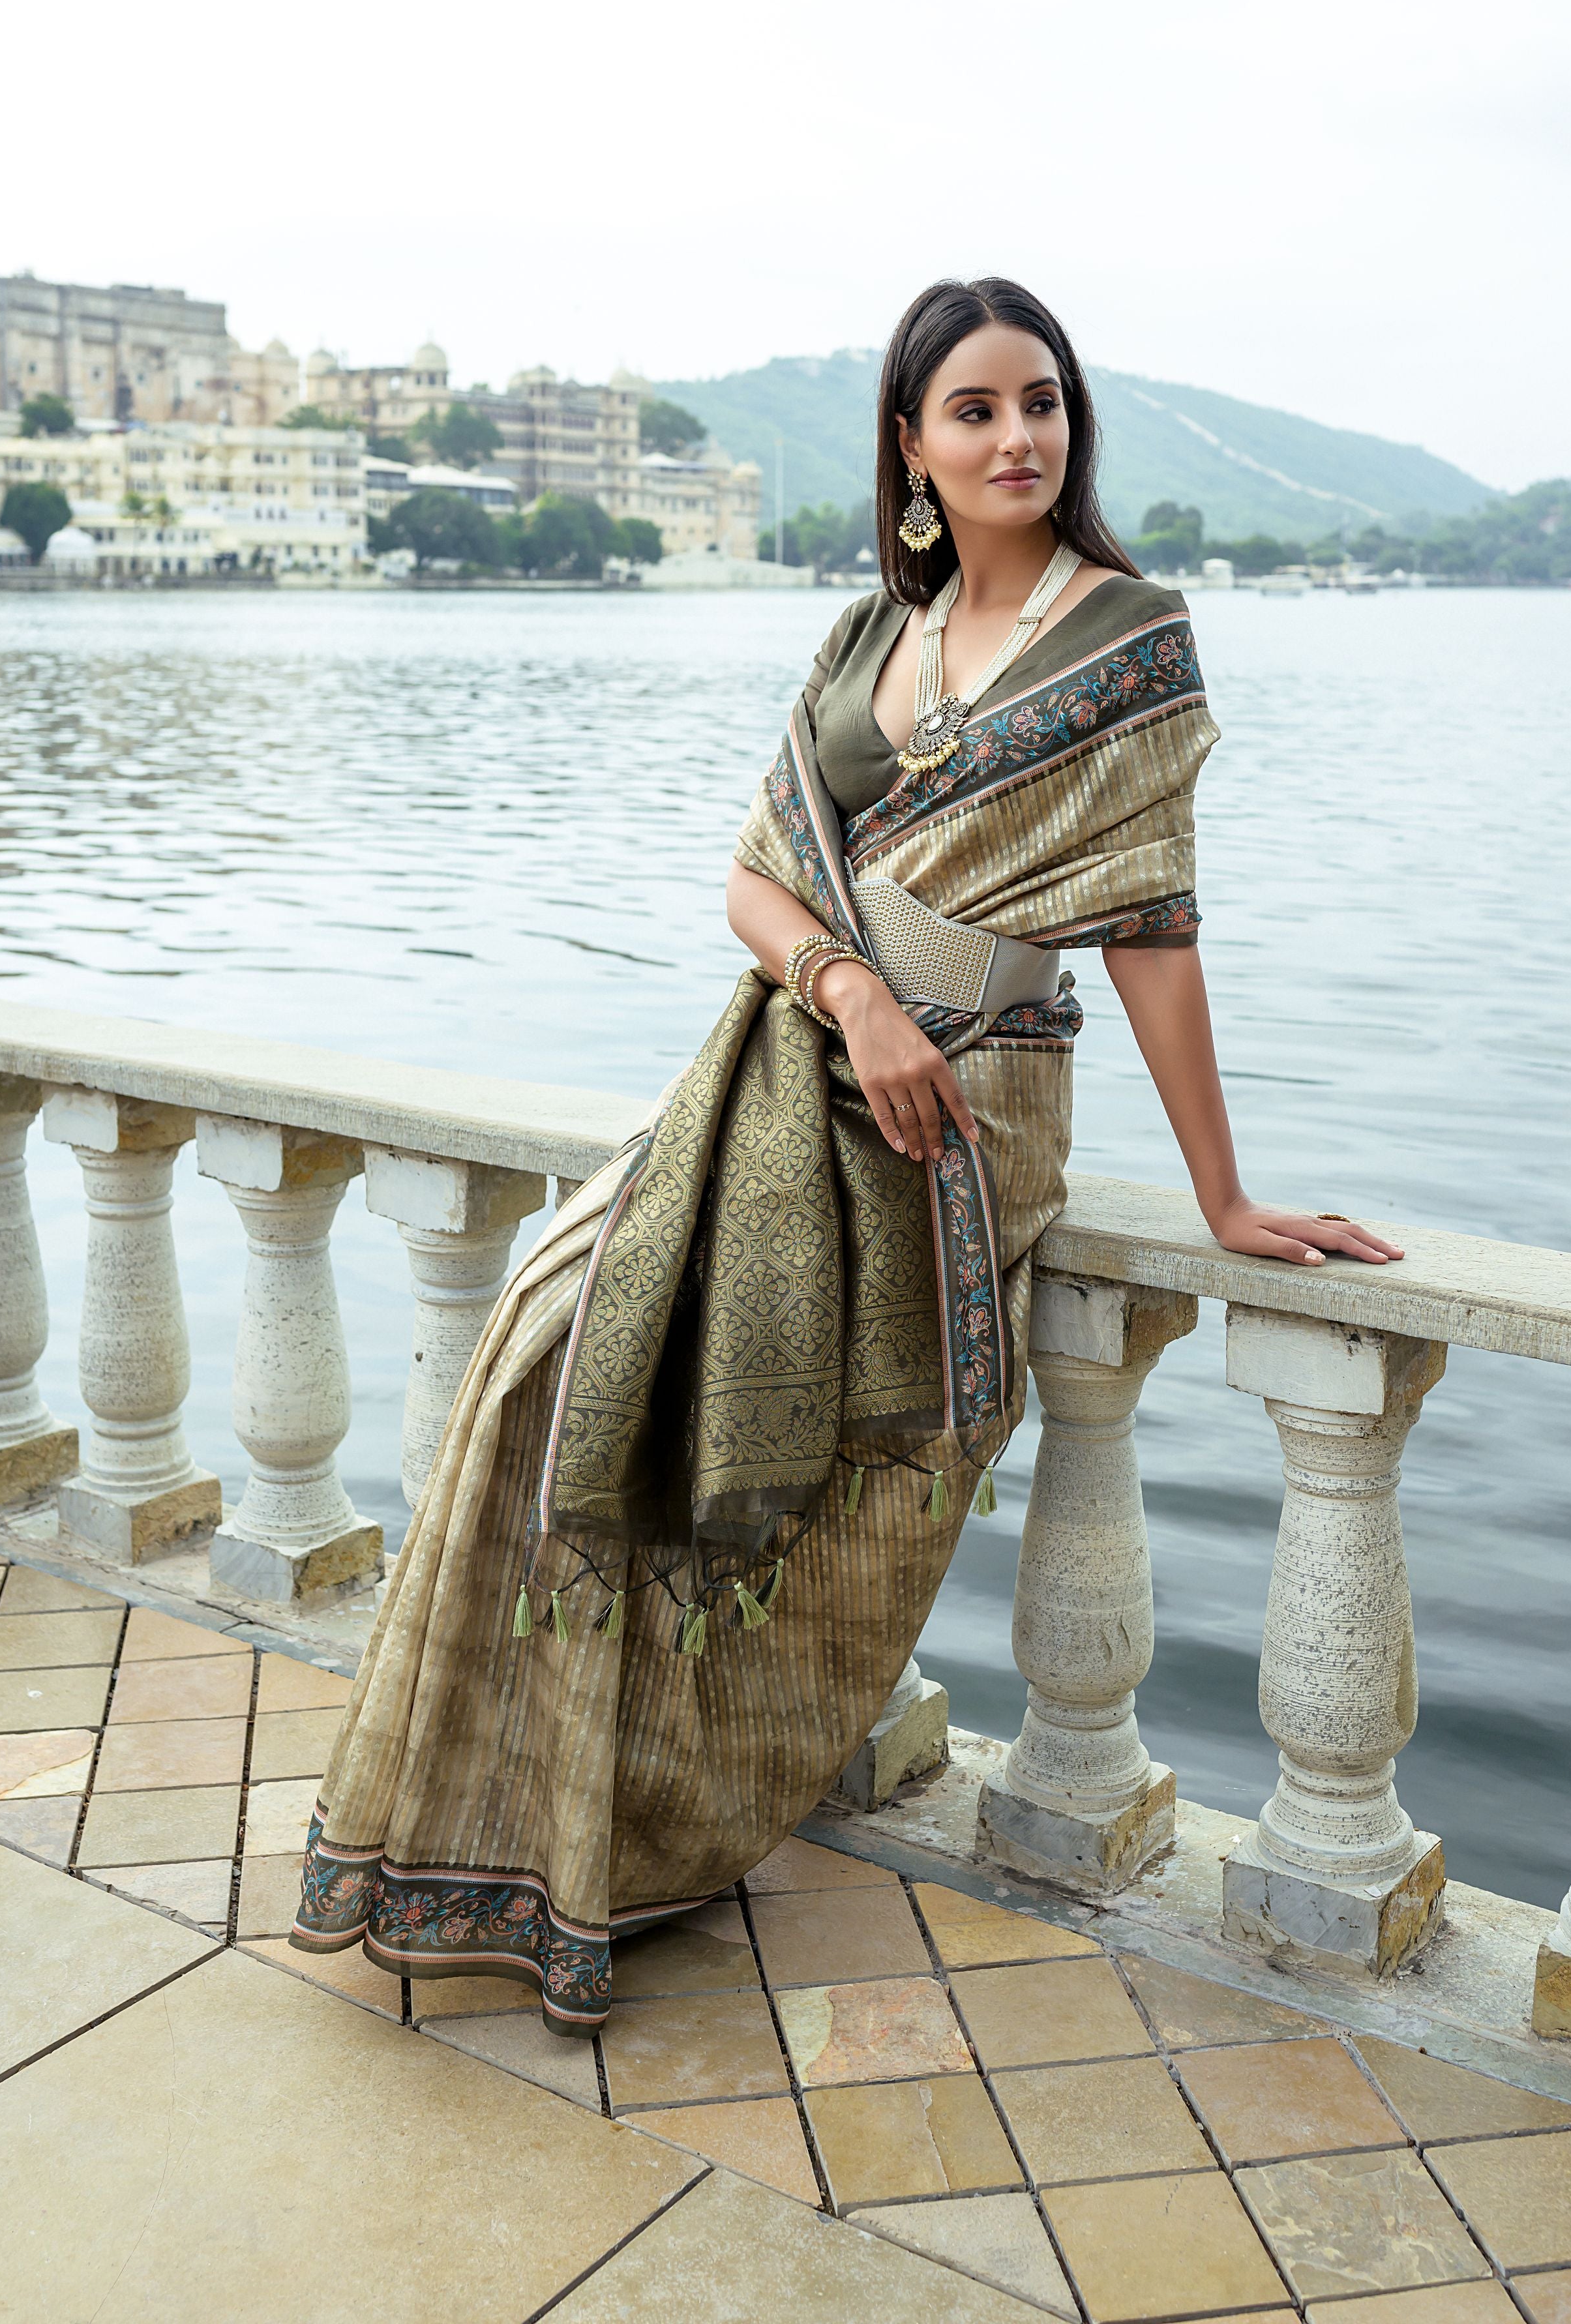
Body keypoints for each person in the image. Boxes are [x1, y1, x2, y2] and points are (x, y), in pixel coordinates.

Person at [292, 275, 1398, 2033]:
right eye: (976, 409)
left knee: (749, 1434)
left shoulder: (1131, 638)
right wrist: (847, 992)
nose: (1018, 434)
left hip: (966, 1123)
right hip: (788, 1075)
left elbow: (1156, 933)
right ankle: (490, 1820)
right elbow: (749, 876)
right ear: (912, 445)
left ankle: (650, 1823)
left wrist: (1222, 1195)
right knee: (546, 1358)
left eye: (1041, 400)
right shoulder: (864, 641)